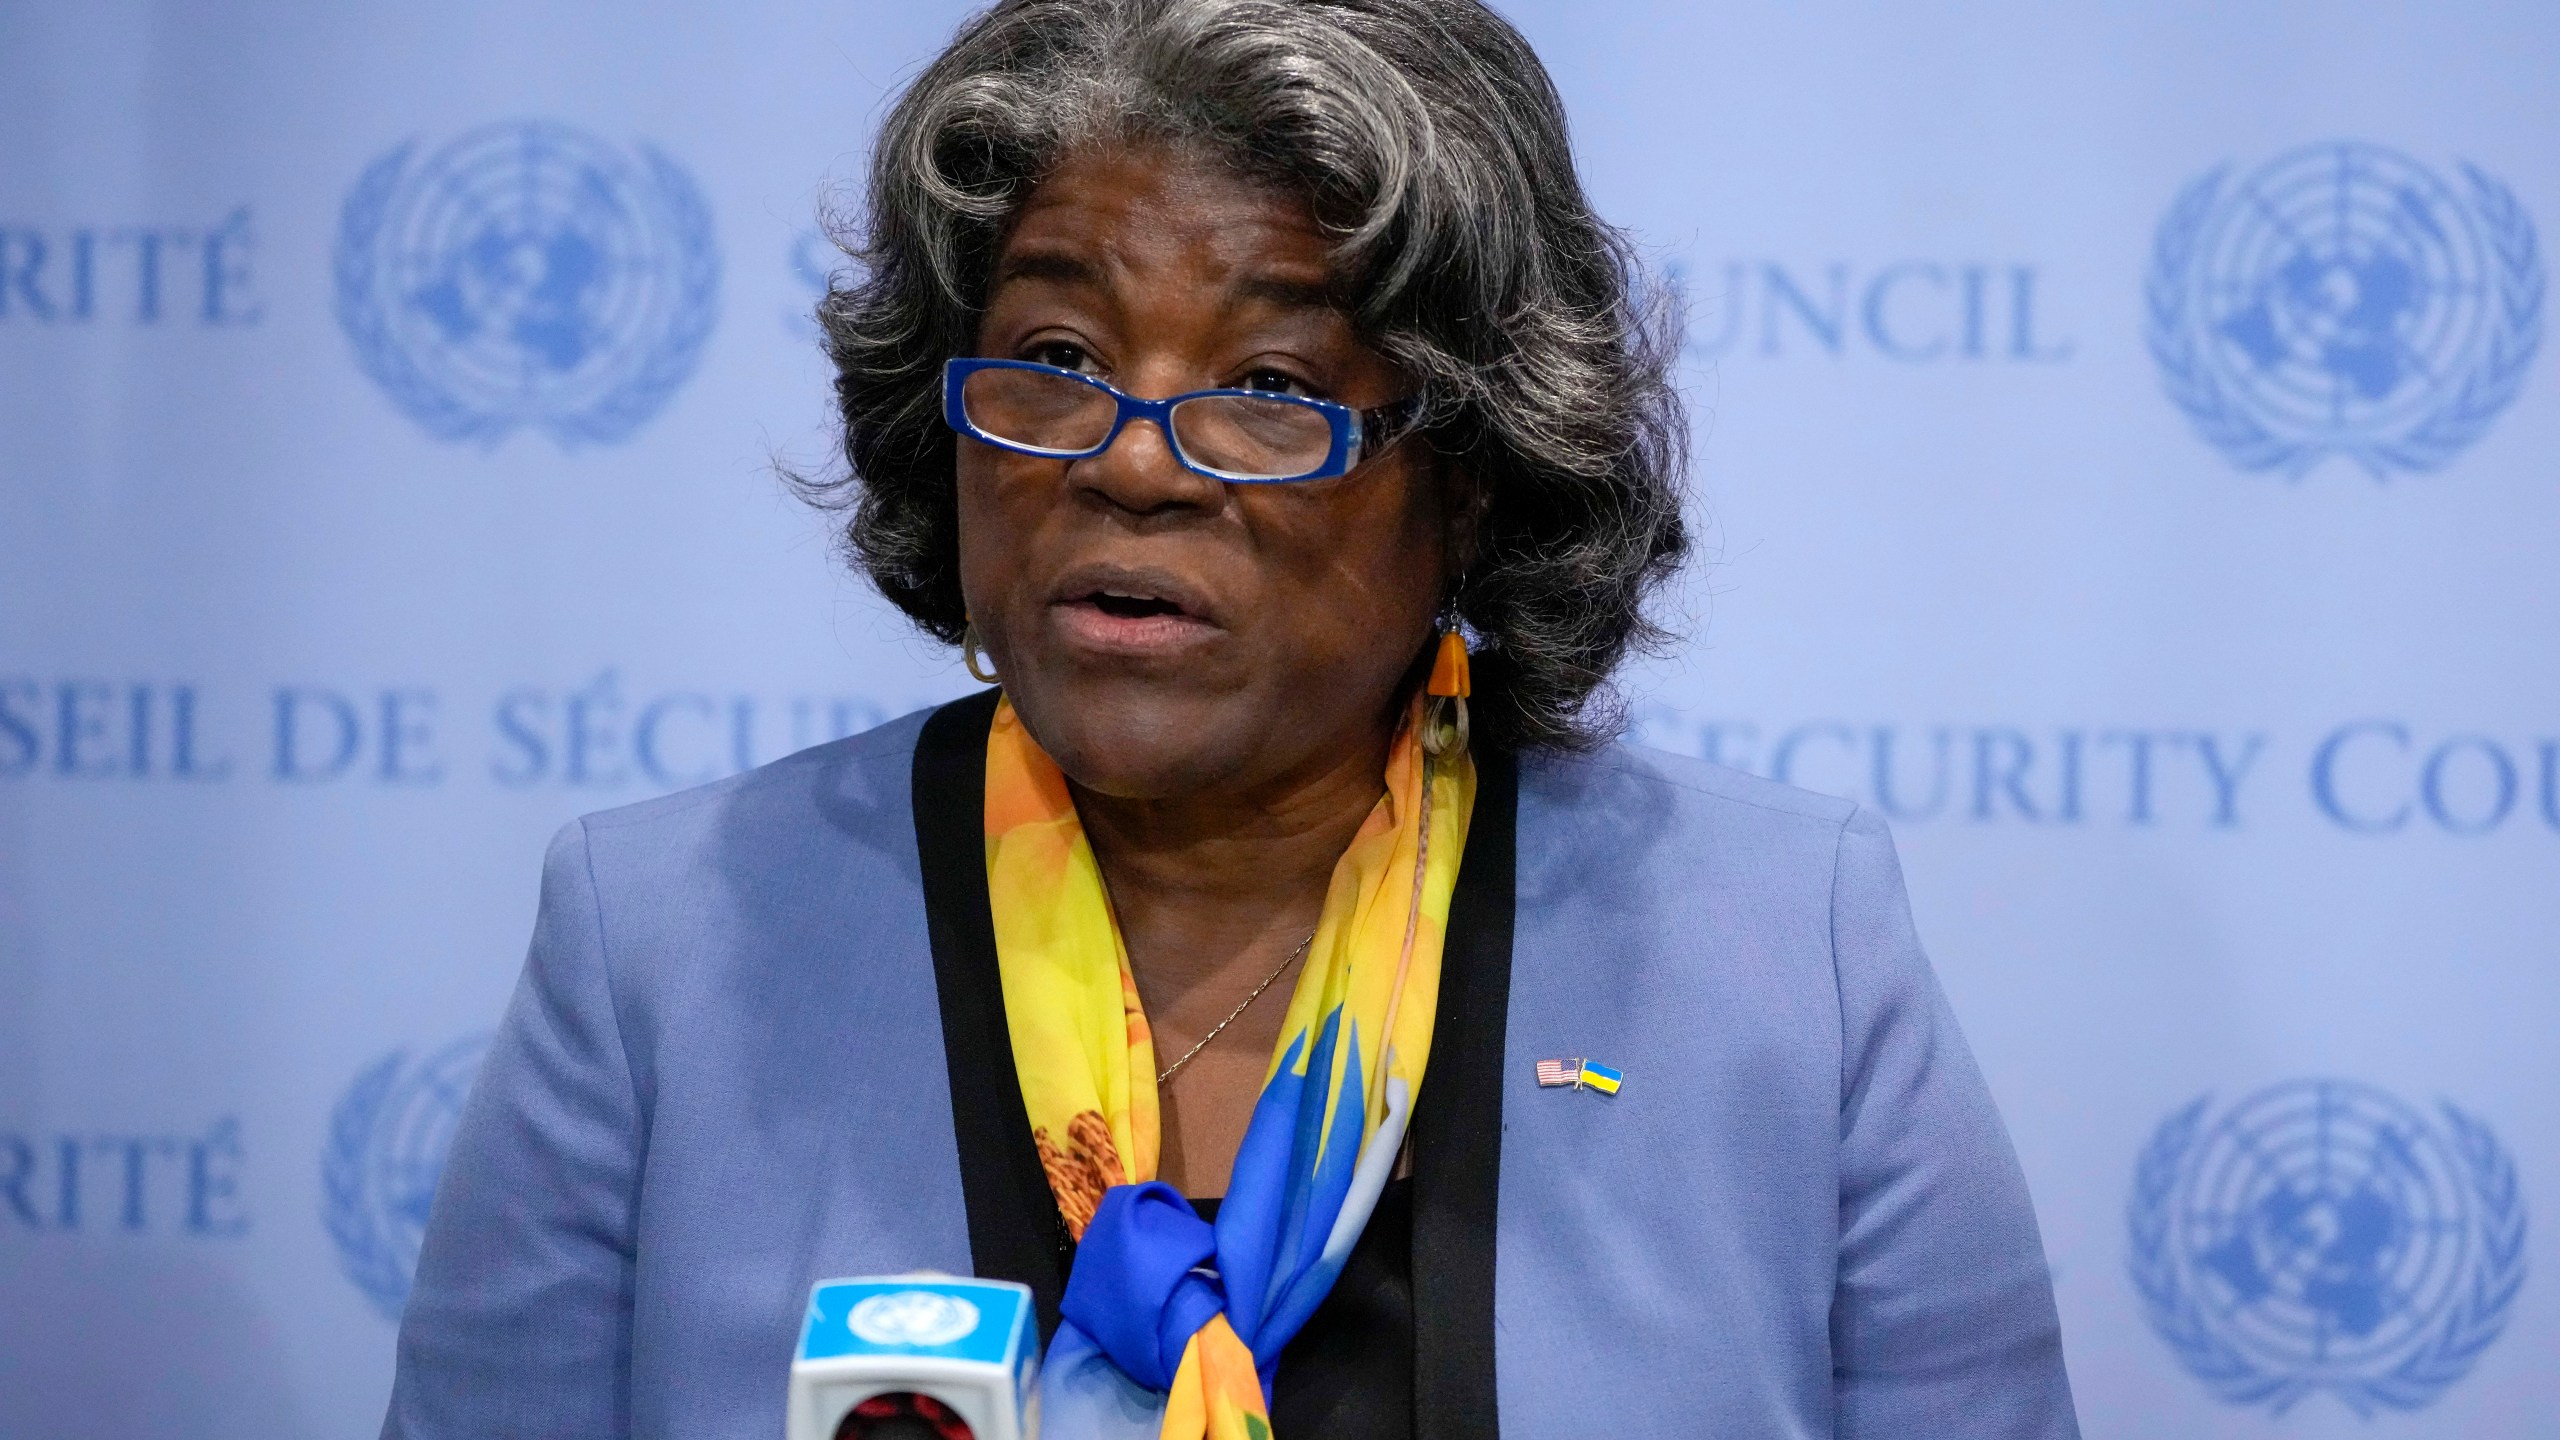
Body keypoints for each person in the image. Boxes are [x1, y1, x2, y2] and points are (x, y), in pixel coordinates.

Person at [384, 1, 2080, 1436]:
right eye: (1053, 352)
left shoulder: (1782, 953)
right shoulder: (664, 945)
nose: (1128, 459)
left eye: (1269, 388)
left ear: (1472, 478)